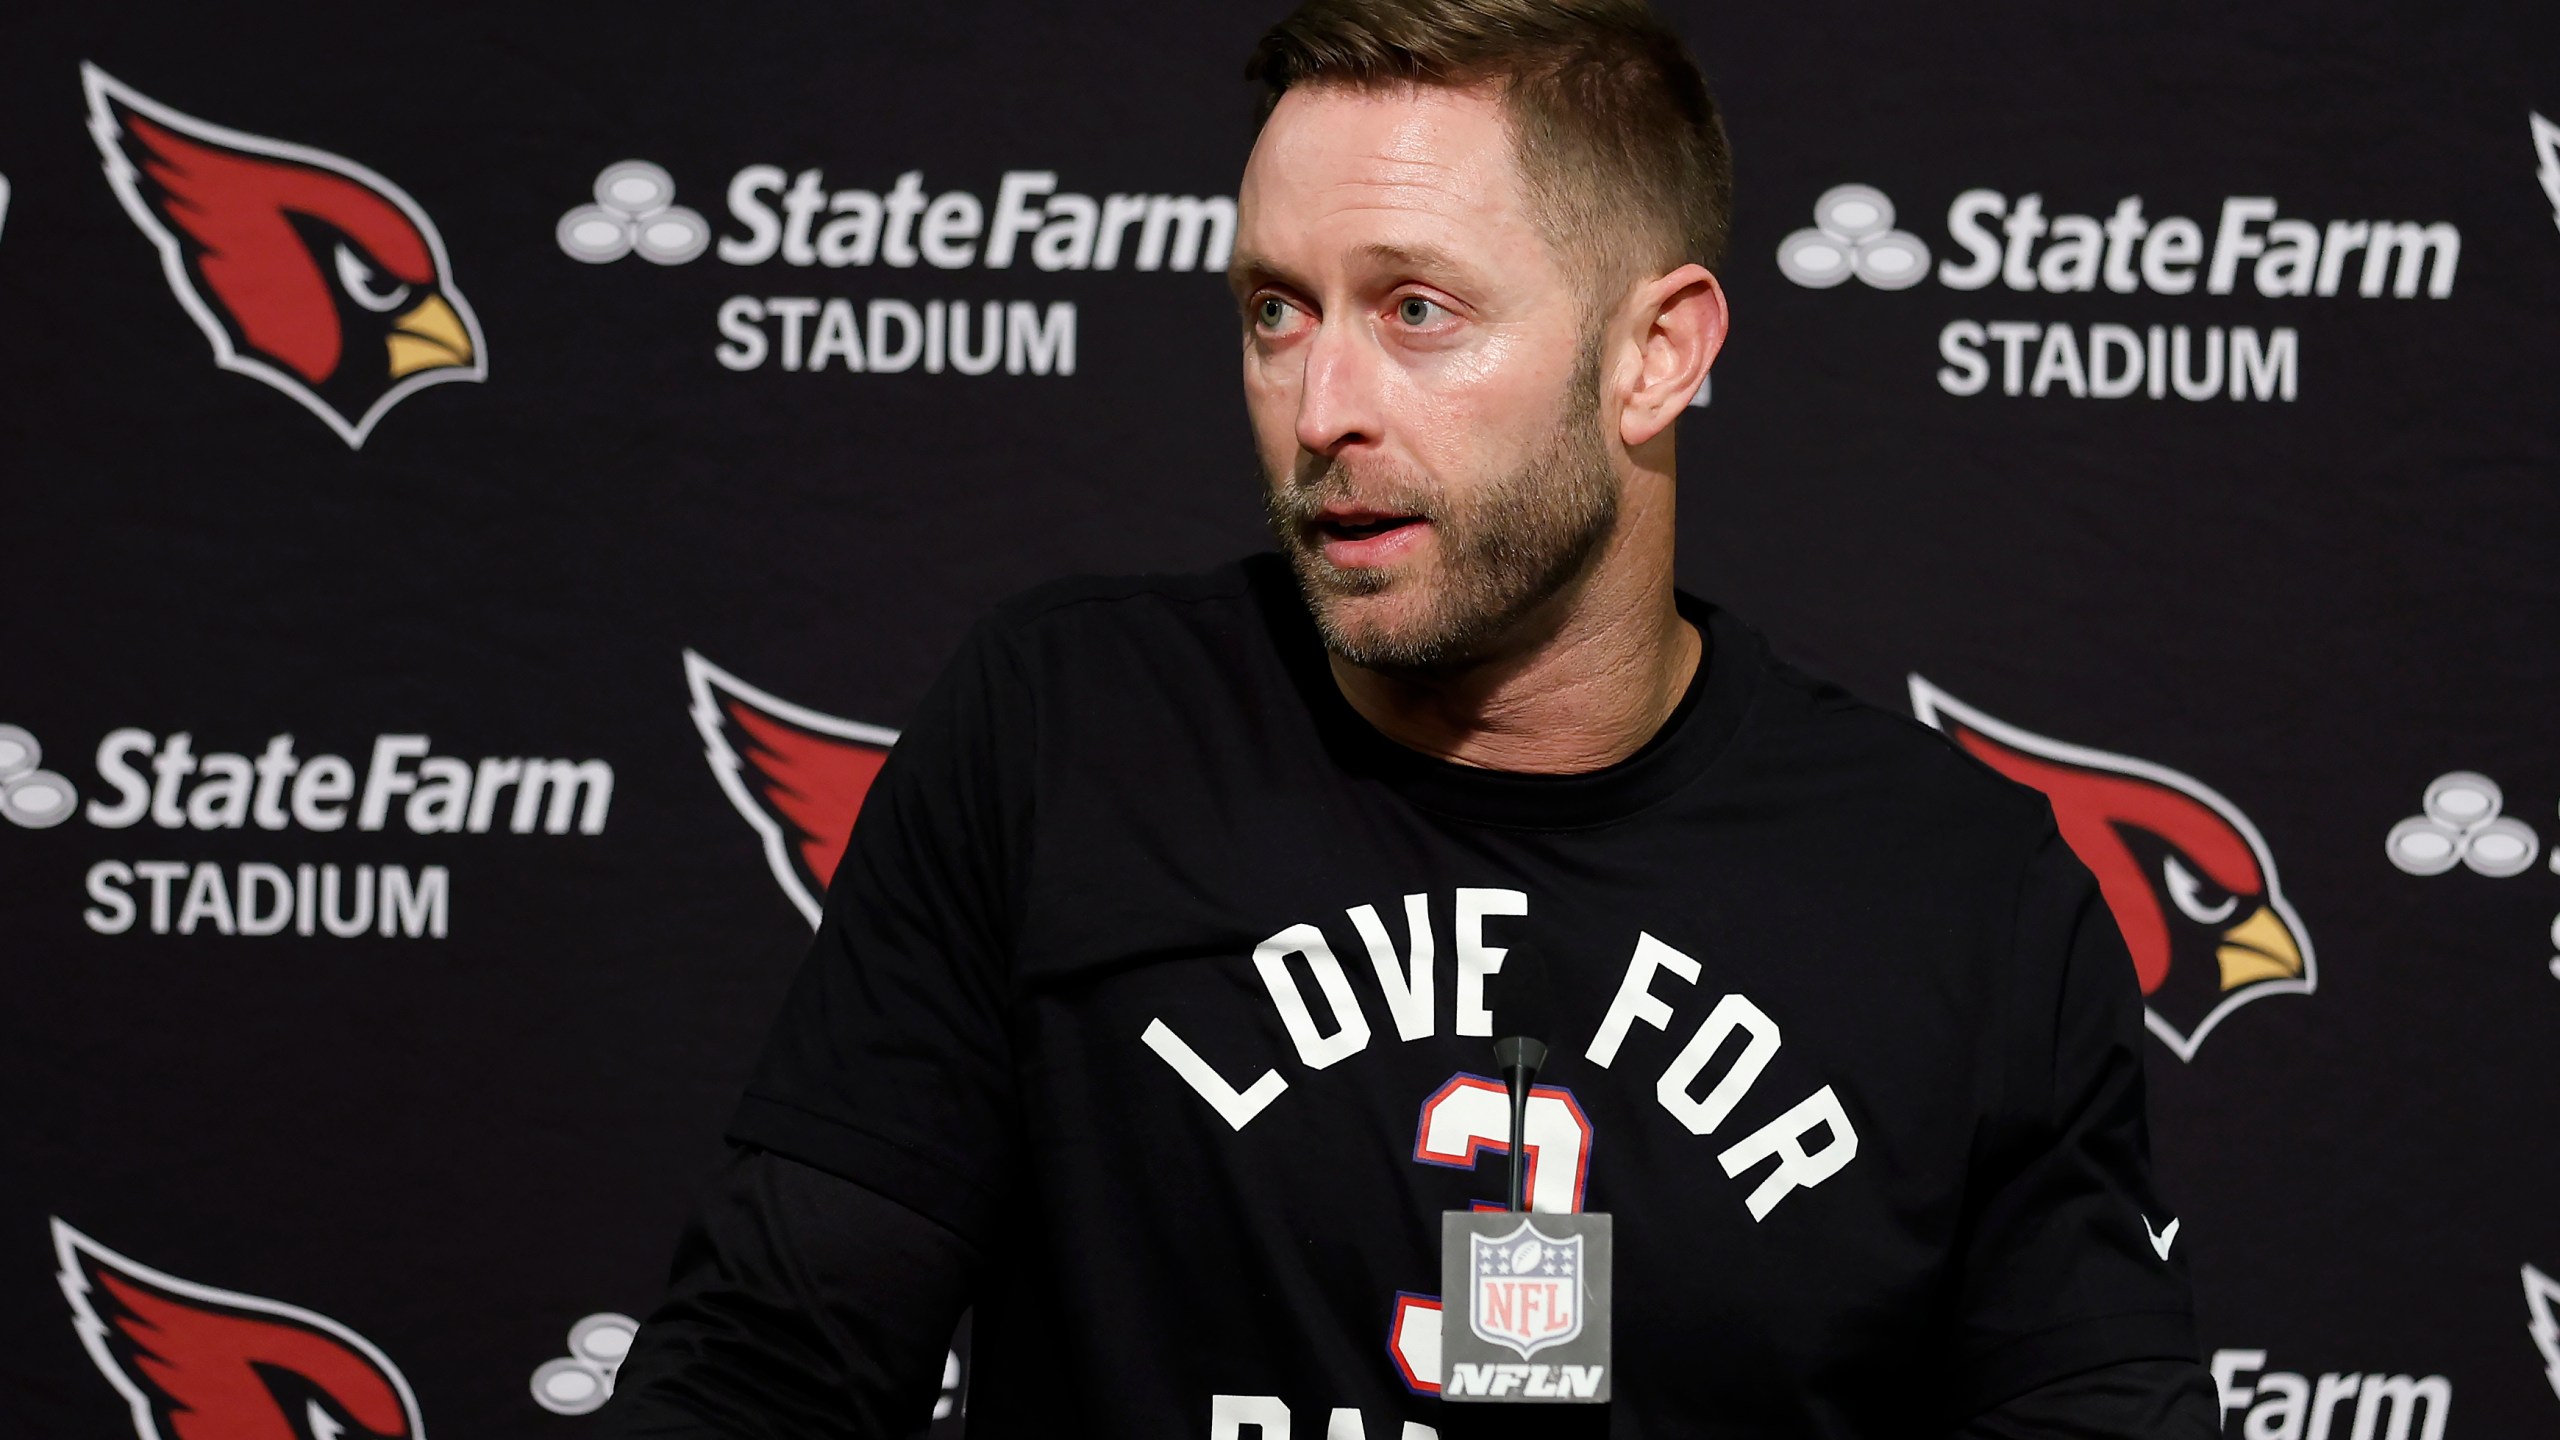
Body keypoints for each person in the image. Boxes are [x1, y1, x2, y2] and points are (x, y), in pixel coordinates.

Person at [602, 1, 2218, 1434]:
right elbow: (769, 1368)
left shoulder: (1958, 894)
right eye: (1275, 310)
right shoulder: (1068, 735)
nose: (1322, 410)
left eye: (1418, 311)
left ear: (1657, 355)